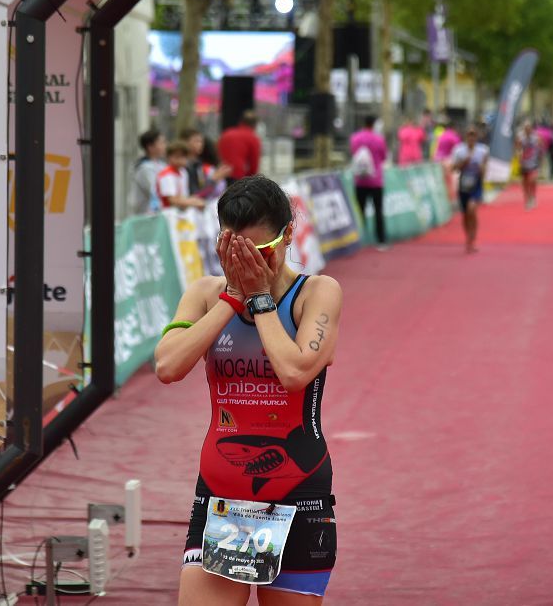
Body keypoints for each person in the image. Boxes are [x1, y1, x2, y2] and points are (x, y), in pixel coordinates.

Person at [155, 175, 342, 605]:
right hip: (222, 496)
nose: (250, 261)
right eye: (236, 249)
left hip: (298, 493)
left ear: (288, 235)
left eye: (260, 251)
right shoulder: (206, 294)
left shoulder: (317, 293)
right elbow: (167, 366)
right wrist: (231, 299)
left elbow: (295, 372)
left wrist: (259, 300)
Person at [350, 114, 389, 250]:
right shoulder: (379, 139)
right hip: (376, 180)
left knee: (360, 211)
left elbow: (353, 153)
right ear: (374, 124)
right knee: (378, 210)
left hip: (360, 180)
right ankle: (381, 241)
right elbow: (384, 157)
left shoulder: (355, 138)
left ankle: (360, 239)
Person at [451, 126, 489, 254]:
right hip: (463, 185)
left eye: (474, 135)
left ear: (476, 137)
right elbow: (453, 168)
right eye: (469, 135)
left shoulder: (482, 151)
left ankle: (473, 237)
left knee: (471, 209)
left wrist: (481, 170)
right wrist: (463, 163)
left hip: (476, 184)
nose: (471, 138)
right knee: (465, 214)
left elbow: (485, 170)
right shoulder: (459, 151)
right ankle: (468, 237)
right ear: (465, 137)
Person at [181, 128, 232, 200]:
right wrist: (214, 179)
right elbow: (196, 193)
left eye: (201, 142)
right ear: (185, 142)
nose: (200, 144)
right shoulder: (184, 165)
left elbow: (202, 190)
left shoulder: (198, 164)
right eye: (196, 141)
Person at [157, 142, 207, 210]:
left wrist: (195, 200)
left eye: (183, 157)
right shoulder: (166, 175)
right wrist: (194, 203)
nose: (180, 160)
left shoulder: (183, 172)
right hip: (166, 212)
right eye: (177, 157)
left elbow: (183, 196)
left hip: (180, 211)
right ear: (168, 157)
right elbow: (172, 200)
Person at [130, 129, 167, 215]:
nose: (165, 146)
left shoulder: (162, 165)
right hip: (146, 216)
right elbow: (155, 191)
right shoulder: (144, 168)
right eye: (161, 143)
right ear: (150, 147)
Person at [218, 110, 262, 180]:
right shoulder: (253, 138)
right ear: (255, 125)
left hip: (220, 174)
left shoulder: (227, 133)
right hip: (238, 176)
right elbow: (254, 165)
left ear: (241, 121)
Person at [516, 122, 542, 210]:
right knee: (525, 184)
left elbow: (541, 148)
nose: (527, 129)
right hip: (524, 164)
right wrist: (519, 155)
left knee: (532, 180)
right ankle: (527, 199)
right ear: (524, 129)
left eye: (529, 128)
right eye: (526, 128)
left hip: (534, 164)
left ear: (531, 129)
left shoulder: (536, 138)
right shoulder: (521, 139)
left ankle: (533, 196)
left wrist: (540, 159)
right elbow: (517, 149)